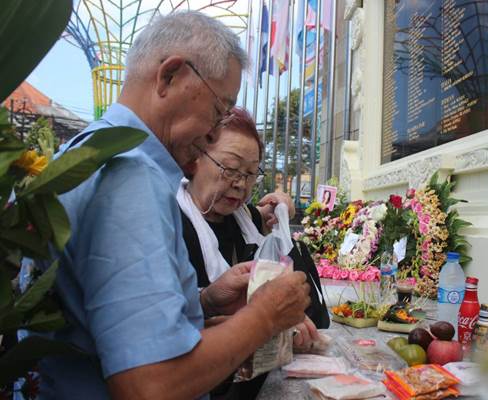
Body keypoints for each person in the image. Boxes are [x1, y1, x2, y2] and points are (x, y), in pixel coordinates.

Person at [28, 12, 310, 400]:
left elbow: (102, 318)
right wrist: (266, 316)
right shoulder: (128, 175)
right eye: (218, 109)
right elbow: (149, 384)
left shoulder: (88, 152)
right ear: (170, 76)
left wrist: (204, 300)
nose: (214, 132)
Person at [177, 107, 329, 399]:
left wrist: (284, 203)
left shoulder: (239, 216)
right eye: (230, 169)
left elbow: (269, 212)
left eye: (250, 174)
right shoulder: (170, 224)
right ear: (194, 158)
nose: (240, 184)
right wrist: (272, 321)